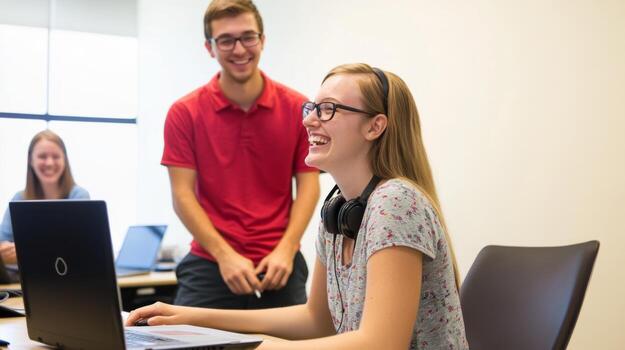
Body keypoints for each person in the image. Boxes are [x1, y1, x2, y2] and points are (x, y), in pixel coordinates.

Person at [127, 63, 468, 349]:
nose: (309, 121)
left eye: (328, 109)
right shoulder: (339, 208)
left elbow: (380, 342)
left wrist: (259, 346)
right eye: (312, 108)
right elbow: (315, 319)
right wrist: (193, 317)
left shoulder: (395, 202)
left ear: (375, 126)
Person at [161, 0, 320, 309]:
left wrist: (287, 249)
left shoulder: (297, 108)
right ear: (210, 47)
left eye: (248, 37)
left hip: (280, 262)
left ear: (262, 40)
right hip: (211, 261)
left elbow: (309, 186)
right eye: (226, 40)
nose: (239, 49)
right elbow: (182, 195)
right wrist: (224, 255)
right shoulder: (184, 113)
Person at [0, 130, 90, 265]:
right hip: (24, 280)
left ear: (64, 160)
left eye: (56, 156)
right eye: (42, 156)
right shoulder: (19, 199)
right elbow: (3, 242)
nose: (49, 163)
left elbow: (82, 248)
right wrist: (5, 253)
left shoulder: (79, 196)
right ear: (31, 160)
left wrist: (25, 252)